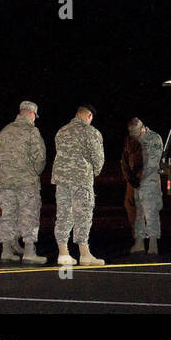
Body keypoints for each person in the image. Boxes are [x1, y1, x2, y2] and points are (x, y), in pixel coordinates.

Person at [52, 105, 106, 266]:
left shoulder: (61, 131)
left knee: (63, 215)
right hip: (81, 179)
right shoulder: (91, 132)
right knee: (83, 215)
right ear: (89, 115)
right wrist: (95, 171)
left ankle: (63, 253)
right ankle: (84, 254)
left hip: (61, 180)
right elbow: (97, 157)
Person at [0, 101, 47, 264]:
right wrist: (34, 173)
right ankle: (29, 252)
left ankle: (6, 251)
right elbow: (40, 159)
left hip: (6, 182)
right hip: (26, 182)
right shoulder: (32, 131)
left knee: (7, 216)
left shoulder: (5, 131)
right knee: (29, 215)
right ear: (31, 114)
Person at [128, 119, 164, 255]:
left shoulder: (154, 138)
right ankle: (139, 243)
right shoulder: (132, 139)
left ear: (143, 128)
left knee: (151, 213)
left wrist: (139, 175)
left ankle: (153, 244)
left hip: (150, 182)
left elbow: (153, 162)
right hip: (137, 183)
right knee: (138, 214)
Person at [121, 129, 144, 232]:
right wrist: (130, 178)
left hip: (141, 179)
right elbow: (125, 160)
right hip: (134, 179)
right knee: (131, 203)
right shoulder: (130, 141)